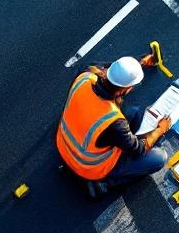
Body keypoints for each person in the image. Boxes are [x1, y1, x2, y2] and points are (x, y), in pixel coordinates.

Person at [56, 54, 171, 192]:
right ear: (125, 89)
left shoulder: (85, 74)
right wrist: (160, 129)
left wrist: (138, 64)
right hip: (86, 166)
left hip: (63, 144)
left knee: (133, 112)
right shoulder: (114, 122)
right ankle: (104, 184)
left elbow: (106, 69)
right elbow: (138, 149)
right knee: (159, 158)